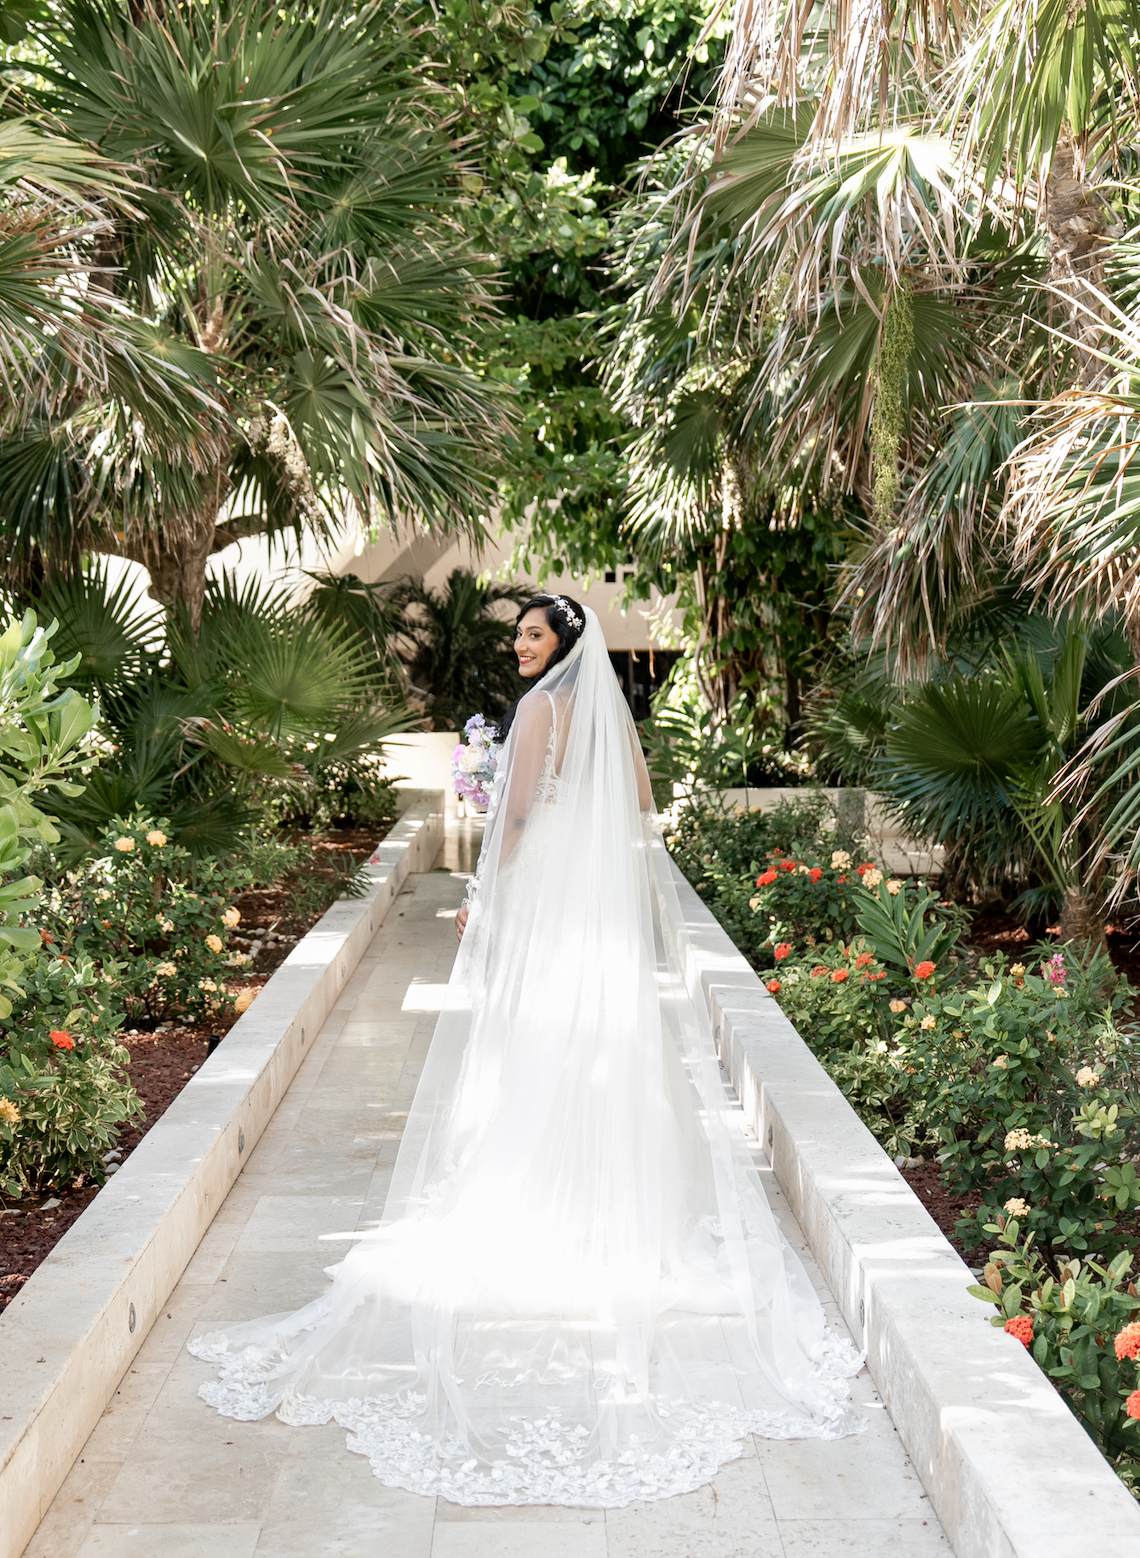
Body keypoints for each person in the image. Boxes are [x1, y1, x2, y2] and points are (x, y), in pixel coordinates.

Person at [189, 596, 863, 1508]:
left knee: (539, 1034)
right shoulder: (602, 711)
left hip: (544, 888)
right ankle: (601, 1199)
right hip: (590, 898)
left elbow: (509, 823)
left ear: (563, 644)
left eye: (533, 634)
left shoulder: (542, 707)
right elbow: (639, 798)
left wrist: (485, 894)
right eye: (518, 634)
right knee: (591, 1032)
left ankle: (541, 1195)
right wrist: (570, 812)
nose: (519, 645)